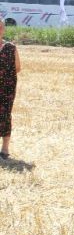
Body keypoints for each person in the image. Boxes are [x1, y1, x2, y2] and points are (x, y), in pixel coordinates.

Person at [0, 21, 21, 159]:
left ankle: (5, 149)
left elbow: (18, 67)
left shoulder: (10, 47)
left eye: (0, 27)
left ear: (3, 30)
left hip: (6, 88)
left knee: (5, 115)